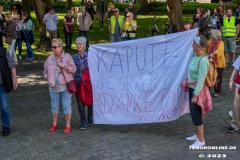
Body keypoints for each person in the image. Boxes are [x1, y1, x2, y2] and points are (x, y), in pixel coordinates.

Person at [43, 38, 76, 134]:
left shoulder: (67, 57)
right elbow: (45, 71)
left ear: (61, 47)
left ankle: (68, 125)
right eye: (52, 47)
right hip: (53, 87)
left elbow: (74, 69)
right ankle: (54, 123)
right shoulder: (49, 58)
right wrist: (47, 78)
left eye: (55, 47)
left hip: (65, 86)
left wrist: (64, 66)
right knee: (54, 106)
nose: (53, 49)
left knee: (66, 106)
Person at [185, 36, 210, 147]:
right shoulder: (195, 56)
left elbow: (201, 80)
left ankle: (201, 141)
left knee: (196, 115)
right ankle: (197, 135)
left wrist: (195, 95)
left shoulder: (203, 61)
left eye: (194, 44)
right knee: (193, 113)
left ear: (199, 47)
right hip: (192, 89)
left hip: (197, 91)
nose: (192, 46)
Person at [72, 37, 93, 130]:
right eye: (77, 44)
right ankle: (83, 121)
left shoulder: (90, 56)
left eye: (80, 44)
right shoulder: (73, 57)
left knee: (90, 100)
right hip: (78, 82)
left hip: (88, 82)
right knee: (80, 102)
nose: (78, 45)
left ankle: (90, 118)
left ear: (84, 45)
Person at [0, 47, 18, 137]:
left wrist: (14, 79)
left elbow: (12, 66)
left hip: (2, 85)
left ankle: (5, 126)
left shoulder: (3, 52)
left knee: (4, 107)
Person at [208, 29, 226, 97]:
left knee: (218, 78)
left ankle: (217, 91)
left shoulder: (221, 43)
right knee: (209, 77)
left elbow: (220, 51)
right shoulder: (210, 41)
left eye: (211, 34)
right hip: (210, 63)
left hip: (219, 64)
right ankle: (207, 90)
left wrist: (213, 53)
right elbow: (205, 47)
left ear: (215, 35)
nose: (210, 35)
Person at [227, 55, 240, 133]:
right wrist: (231, 80)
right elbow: (236, 68)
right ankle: (234, 125)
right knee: (236, 106)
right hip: (239, 86)